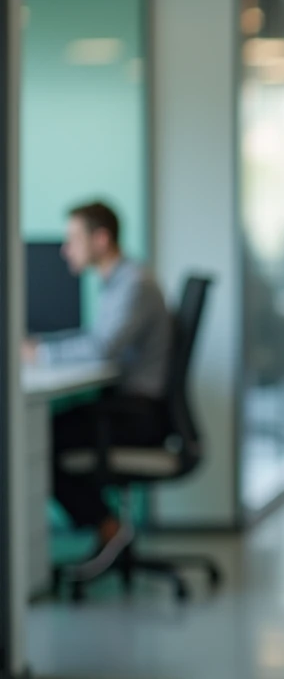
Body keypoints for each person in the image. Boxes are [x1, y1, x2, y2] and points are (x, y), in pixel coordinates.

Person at [23, 201, 173, 552]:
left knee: (42, 439)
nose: (65, 250)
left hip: (139, 414)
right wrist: (43, 346)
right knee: (47, 432)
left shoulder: (134, 283)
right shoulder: (119, 281)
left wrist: (41, 353)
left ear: (101, 239)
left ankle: (107, 526)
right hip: (131, 405)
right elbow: (98, 340)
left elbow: (103, 347)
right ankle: (106, 525)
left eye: (73, 239)